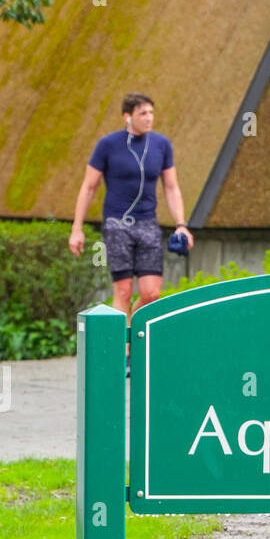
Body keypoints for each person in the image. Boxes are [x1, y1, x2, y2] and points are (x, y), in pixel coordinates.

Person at [68, 92, 194, 365]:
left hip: (148, 223)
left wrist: (181, 225)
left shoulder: (161, 145)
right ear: (128, 117)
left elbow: (171, 188)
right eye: (142, 114)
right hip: (117, 224)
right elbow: (89, 187)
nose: (149, 118)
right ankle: (123, 355)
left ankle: (130, 333)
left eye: (151, 112)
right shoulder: (108, 145)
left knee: (151, 293)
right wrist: (76, 229)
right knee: (123, 291)